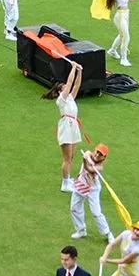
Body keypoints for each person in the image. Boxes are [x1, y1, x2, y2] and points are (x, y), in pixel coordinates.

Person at [49, 58, 86, 191]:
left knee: (72, 156)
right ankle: (65, 184)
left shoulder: (70, 98)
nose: (66, 86)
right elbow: (70, 83)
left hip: (74, 126)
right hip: (66, 127)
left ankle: (68, 178)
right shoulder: (61, 100)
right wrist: (73, 67)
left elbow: (76, 85)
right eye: (63, 87)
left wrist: (79, 71)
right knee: (67, 157)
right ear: (60, 91)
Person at [69, 143, 111, 240]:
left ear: (104, 158)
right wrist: (86, 157)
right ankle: (81, 230)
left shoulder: (100, 167)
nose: (97, 155)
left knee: (96, 213)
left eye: (100, 155)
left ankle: (108, 233)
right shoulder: (88, 153)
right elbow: (87, 153)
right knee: (74, 208)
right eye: (97, 152)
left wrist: (85, 162)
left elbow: (89, 169)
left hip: (93, 189)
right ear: (94, 150)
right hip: (80, 184)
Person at [106, 0, 139, 68]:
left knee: (122, 35)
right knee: (126, 36)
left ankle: (112, 50)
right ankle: (123, 59)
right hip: (120, 16)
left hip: (125, 15)